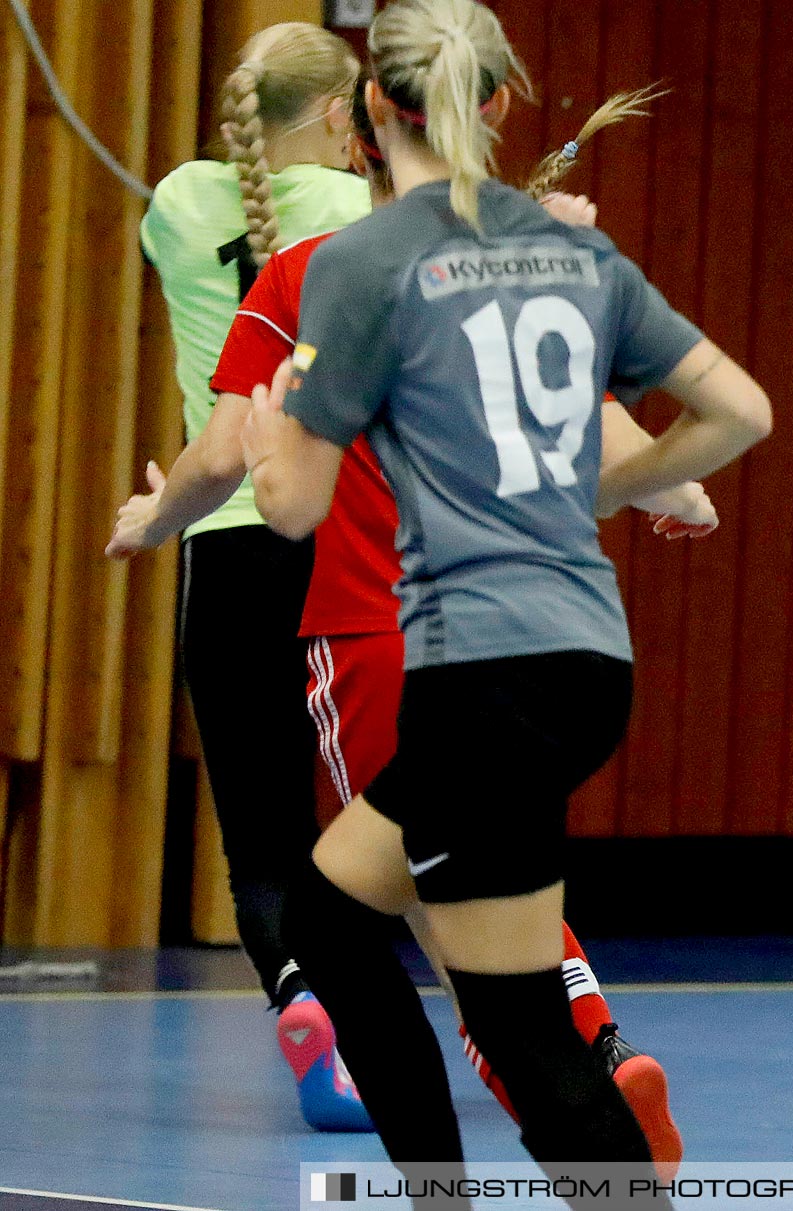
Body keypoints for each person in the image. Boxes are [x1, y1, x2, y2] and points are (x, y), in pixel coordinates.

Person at [113, 72, 698, 1173]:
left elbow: (250, 470)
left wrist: (156, 513)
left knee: (354, 898)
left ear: (366, 127)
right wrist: (674, 485)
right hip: (532, 634)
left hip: (350, 613)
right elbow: (612, 424)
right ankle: (596, 1048)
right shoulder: (505, 259)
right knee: (485, 881)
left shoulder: (279, 250)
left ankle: (476, 1135)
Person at [239, 0, 769, 1189]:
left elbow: (294, 509)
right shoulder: (575, 252)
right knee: (330, 921)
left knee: (522, 1028)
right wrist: (622, 477)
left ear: (373, 109)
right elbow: (742, 412)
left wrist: (275, 433)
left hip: (483, 676)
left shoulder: (366, 260)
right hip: (585, 659)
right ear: (497, 103)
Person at [132, 21, 372, 1131]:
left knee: (259, 836)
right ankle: (521, 1017)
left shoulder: (179, 207)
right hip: (336, 538)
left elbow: (212, 212)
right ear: (339, 114)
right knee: (384, 809)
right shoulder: (364, 219)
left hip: (221, 546)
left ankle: (298, 998)